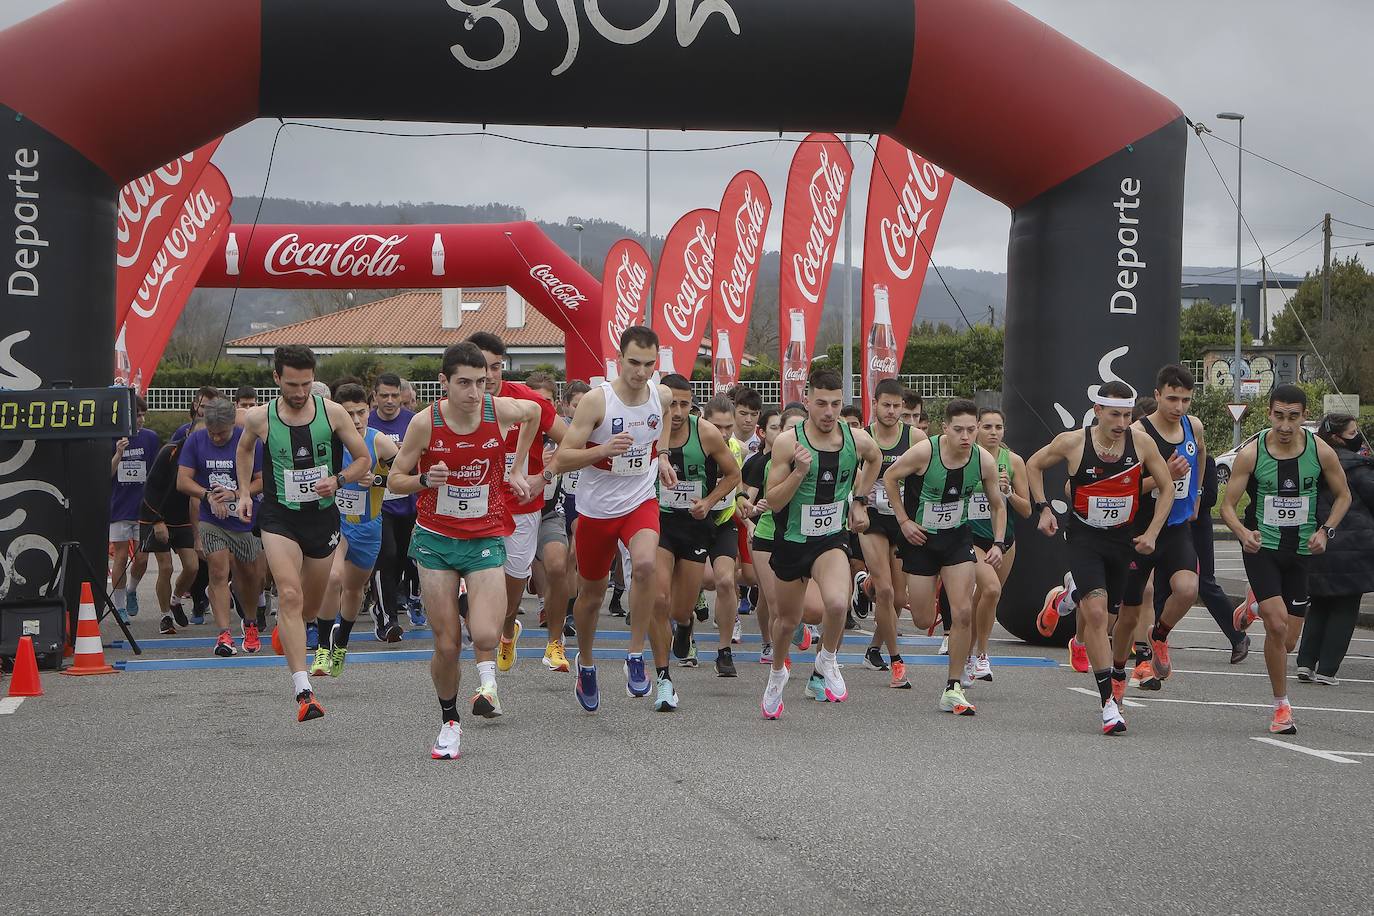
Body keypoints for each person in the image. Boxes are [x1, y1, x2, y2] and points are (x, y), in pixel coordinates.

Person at [387, 342, 539, 757]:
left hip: (485, 534)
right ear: (444, 383)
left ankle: (487, 684)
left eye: (481, 382)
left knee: (487, 632)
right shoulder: (425, 423)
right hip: (436, 540)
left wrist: (518, 464)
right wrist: (425, 480)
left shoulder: (497, 410)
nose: (474, 392)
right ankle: (449, 722)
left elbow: (535, 413)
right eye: (464, 384)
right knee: (448, 644)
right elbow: (394, 481)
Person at [1027, 380, 1175, 735]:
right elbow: (1034, 465)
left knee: (1108, 619)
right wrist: (1043, 509)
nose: (1122, 422)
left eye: (1127, 414)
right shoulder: (1074, 442)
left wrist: (1152, 532)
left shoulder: (1141, 443)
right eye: (1115, 414)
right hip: (1084, 538)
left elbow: (1167, 486)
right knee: (1095, 614)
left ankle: (1068, 596)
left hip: (1123, 540)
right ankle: (1109, 704)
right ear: (1097, 411)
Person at [236, 345, 373, 722]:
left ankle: (290, 630)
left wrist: (338, 479)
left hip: (322, 518)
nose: (299, 392)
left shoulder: (332, 413)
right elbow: (244, 450)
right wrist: (246, 491)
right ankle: (304, 691)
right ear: (277, 378)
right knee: (289, 593)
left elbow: (363, 460)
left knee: (308, 607)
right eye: (292, 384)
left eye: (306, 384)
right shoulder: (259, 417)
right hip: (279, 516)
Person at [552, 325, 675, 712]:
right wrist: (603, 449)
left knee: (643, 566)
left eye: (649, 364)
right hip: (597, 510)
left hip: (640, 500)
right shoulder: (596, 402)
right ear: (619, 359)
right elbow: (562, 459)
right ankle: (586, 664)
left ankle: (635, 655)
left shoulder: (662, 393)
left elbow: (667, 416)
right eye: (634, 363)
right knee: (591, 594)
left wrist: (664, 454)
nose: (641, 372)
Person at [1221, 385, 1351, 735]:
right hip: (1262, 548)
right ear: (1269, 414)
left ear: (1304, 417)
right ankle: (1281, 707)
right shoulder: (1252, 454)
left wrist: (1326, 531)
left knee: (1288, 641)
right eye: (1279, 416)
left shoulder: (1320, 451)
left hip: (1302, 552)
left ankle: (1251, 608)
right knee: (1276, 626)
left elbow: (1343, 496)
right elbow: (1227, 506)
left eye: (1293, 417)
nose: (1285, 425)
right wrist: (1242, 533)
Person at [760, 370, 883, 719]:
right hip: (792, 540)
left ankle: (827, 659)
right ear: (807, 399)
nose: (829, 412)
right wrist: (799, 472)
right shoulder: (788, 443)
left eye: (835, 403)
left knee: (836, 603)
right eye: (821, 403)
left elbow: (875, 459)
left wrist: (859, 500)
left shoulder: (855, 439)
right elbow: (775, 501)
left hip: (830, 538)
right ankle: (777, 674)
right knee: (786, 621)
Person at [883, 398, 1007, 716]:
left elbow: (997, 503)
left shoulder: (983, 461)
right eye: (959, 430)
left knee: (963, 612)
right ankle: (939, 593)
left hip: (956, 539)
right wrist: (904, 521)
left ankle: (953, 687)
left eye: (971, 429)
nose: (966, 436)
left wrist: (997, 542)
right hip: (921, 540)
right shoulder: (926, 452)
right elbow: (890, 477)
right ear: (945, 428)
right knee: (923, 618)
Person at [463, 337, 565, 688]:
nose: (489, 375)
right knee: (476, 593)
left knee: (510, 588)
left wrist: (544, 475)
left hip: (521, 508)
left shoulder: (529, 401)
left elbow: (570, 438)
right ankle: (486, 680)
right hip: (473, 509)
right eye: (482, 367)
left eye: (495, 366)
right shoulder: (456, 403)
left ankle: (508, 628)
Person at [1109, 365, 1207, 690]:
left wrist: (1197, 495)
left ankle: (1159, 634)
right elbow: (1125, 487)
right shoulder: (1138, 433)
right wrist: (1164, 476)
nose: (1179, 407)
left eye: (1185, 400)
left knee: (1188, 590)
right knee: (1130, 610)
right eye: (1172, 399)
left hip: (1175, 527)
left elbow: (1201, 453)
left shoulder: (1193, 426)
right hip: (1139, 529)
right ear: (1157, 396)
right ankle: (1119, 672)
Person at [653, 380, 741, 706]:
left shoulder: (705, 433)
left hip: (694, 525)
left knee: (679, 608)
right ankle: (662, 675)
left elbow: (733, 475)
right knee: (659, 599)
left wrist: (709, 500)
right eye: (671, 404)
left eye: (684, 405)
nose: (676, 412)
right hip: (659, 522)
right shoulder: (648, 428)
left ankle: (686, 624)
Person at [310, 383, 398, 678]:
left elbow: (405, 477)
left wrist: (377, 481)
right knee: (332, 577)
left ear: (369, 410)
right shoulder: (329, 441)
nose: (357, 420)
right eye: (349, 414)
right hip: (336, 524)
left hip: (369, 527)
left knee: (354, 589)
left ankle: (341, 643)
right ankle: (322, 646)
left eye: (361, 412)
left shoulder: (380, 442)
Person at [178, 399, 264, 657]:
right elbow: (183, 481)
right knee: (217, 571)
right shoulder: (196, 441)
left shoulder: (248, 440)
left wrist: (237, 493)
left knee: (250, 576)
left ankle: (250, 621)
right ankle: (224, 634)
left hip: (244, 519)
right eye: (212, 432)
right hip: (211, 519)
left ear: (232, 425)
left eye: (221, 433)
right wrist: (207, 496)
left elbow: (263, 481)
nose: (216, 438)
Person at [854, 378, 922, 689]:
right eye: (887, 405)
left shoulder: (916, 437)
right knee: (886, 592)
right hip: (871, 520)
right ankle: (897, 661)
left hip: (902, 518)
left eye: (898, 407)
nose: (892, 411)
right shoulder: (862, 439)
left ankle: (873, 650)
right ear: (875, 404)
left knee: (898, 597)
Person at [1296, 414, 1373, 684]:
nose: (1358, 437)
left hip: (1318, 541)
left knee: (1319, 603)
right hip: (1353, 548)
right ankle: (1328, 669)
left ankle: (1305, 663)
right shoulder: (1359, 467)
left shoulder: (1312, 461)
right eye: (1353, 432)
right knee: (1346, 606)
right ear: (1338, 437)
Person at [967, 407, 1031, 681]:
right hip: (971, 536)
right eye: (987, 427)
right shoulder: (966, 457)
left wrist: (1008, 492)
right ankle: (981, 655)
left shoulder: (1013, 461)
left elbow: (1027, 509)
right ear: (977, 428)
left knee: (985, 598)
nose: (993, 433)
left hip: (1003, 538)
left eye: (998, 428)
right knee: (990, 590)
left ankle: (966, 654)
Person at [524, 371, 575, 672]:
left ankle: (554, 642)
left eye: (544, 402)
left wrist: (554, 464)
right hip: (513, 515)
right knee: (508, 585)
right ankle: (506, 631)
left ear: (555, 403)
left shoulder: (563, 433)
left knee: (558, 565)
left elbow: (581, 452)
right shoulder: (513, 428)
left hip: (548, 514)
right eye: (532, 401)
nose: (538, 408)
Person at [369, 372, 417, 640]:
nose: (389, 401)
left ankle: (408, 598)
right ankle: (387, 619)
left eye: (394, 395)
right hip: (379, 504)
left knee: (406, 559)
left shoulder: (413, 421)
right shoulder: (367, 423)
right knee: (386, 556)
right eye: (384, 395)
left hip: (409, 501)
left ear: (402, 396)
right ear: (374, 396)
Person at [139, 418, 199, 634]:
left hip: (182, 517)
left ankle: (176, 599)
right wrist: (157, 521)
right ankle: (165, 616)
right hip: (157, 514)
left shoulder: (205, 453)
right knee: (166, 567)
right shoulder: (170, 451)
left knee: (192, 566)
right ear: (188, 433)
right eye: (197, 434)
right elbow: (151, 488)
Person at [109, 395, 158, 622]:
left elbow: (156, 474)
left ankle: (131, 590)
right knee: (119, 556)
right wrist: (118, 454)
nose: (141, 419)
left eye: (142, 414)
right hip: (118, 507)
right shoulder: (111, 438)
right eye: (136, 415)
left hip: (143, 509)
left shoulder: (150, 438)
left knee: (142, 558)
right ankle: (118, 606)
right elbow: (104, 474)